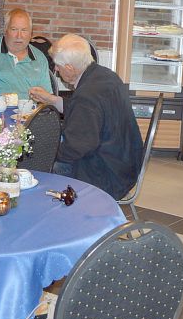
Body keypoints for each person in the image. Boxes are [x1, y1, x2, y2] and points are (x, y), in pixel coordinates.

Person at [29, 34, 142, 199]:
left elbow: (76, 148)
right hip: (123, 162)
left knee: (33, 166)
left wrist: (43, 153)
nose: (56, 70)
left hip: (104, 175)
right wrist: (51, 100)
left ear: (69, 68)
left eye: (57, 66)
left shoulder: (86, 96)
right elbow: (87, 113)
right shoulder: (104, 76)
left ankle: (46, 213)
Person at [0, 9, 53, 98]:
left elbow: (46, 96)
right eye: (14, 29)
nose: (19, 36)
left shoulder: (39, 58)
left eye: (24, 30)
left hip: (28, 110)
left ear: (31, 33)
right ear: (5, 30)